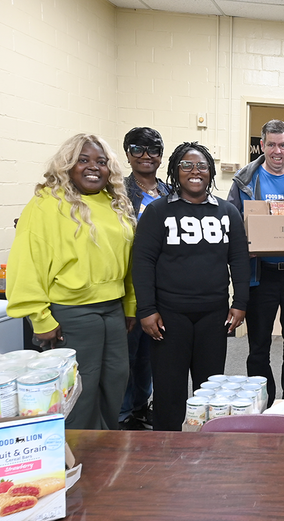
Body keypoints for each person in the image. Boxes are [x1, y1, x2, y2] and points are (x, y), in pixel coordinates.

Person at [6, 133, 136, 430]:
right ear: (67, 165)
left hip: (112, 310)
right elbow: (26, 264)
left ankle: (106, 451)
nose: (94, 167)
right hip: (70, 313)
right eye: (83, 160)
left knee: (115, 379)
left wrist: (130, 305)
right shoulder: (46, 204)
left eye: (101, 162)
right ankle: (80, 456)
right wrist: (39, 318)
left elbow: (128, 262)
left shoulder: (114, 203)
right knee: (80, 389)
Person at [133, 142, 249, 431]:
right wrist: (146, 309)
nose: (194, 171)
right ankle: (166, 448)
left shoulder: (228, 212)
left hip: (214, 315)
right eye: (186, 165)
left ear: (210, 172)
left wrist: (240, 303)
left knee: (210, 389)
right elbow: (143, 261)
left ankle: (206, 448)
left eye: (201, 166)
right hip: (169, 316)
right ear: (175, 171)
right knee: (169, 389)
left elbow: (239, 260)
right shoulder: (158, 212)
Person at [227, 119, 284, 407]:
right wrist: (245, 248)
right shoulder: (244, 180)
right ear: (262, 146)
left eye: (282, 145)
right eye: (271, 145)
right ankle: (262, 402)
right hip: (260, 275)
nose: (277, 151)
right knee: (258, 346)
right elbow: (231, 223)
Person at [120, 127, 171, 430]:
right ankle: (124, 412)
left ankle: (142, 405)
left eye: (153, 150)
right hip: (129, 283)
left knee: (150, 353)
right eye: (137, 149)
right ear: (127, 154)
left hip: (161, 283)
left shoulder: (169, 192)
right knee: (126, 352)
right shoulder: (118, 191)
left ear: (161, 156)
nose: (146, 156)